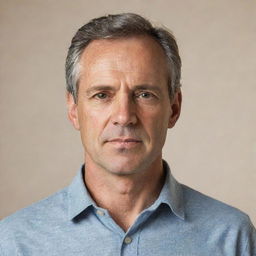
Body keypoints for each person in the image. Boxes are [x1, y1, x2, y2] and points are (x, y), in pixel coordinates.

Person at [0, 13, 255, 256]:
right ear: (74, 110)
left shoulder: (232, 237)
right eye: (102, 95)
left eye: (144, 94)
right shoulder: (15, 241)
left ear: (174, 108)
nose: (124, 116)